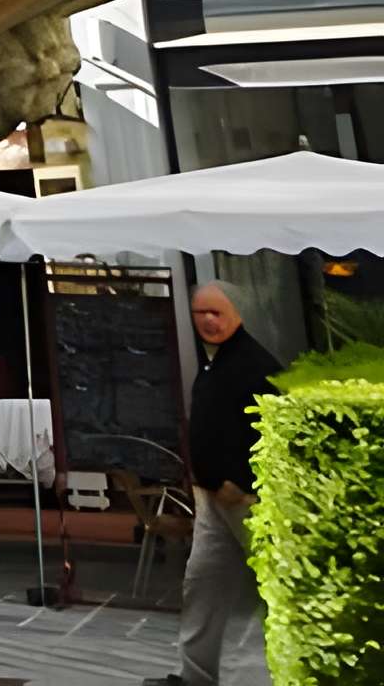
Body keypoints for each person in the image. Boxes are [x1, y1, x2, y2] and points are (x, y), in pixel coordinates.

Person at [152, 279, 279, 686]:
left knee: (274, 591)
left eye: (216, 312)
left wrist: (242, 482)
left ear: (236, 314)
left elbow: (270, 431)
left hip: (242, 499)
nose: (207, 320)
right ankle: (195, 677)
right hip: (210, 499)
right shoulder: (216, 361)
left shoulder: (255, 365)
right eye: (200, 313)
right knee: (202, 586)